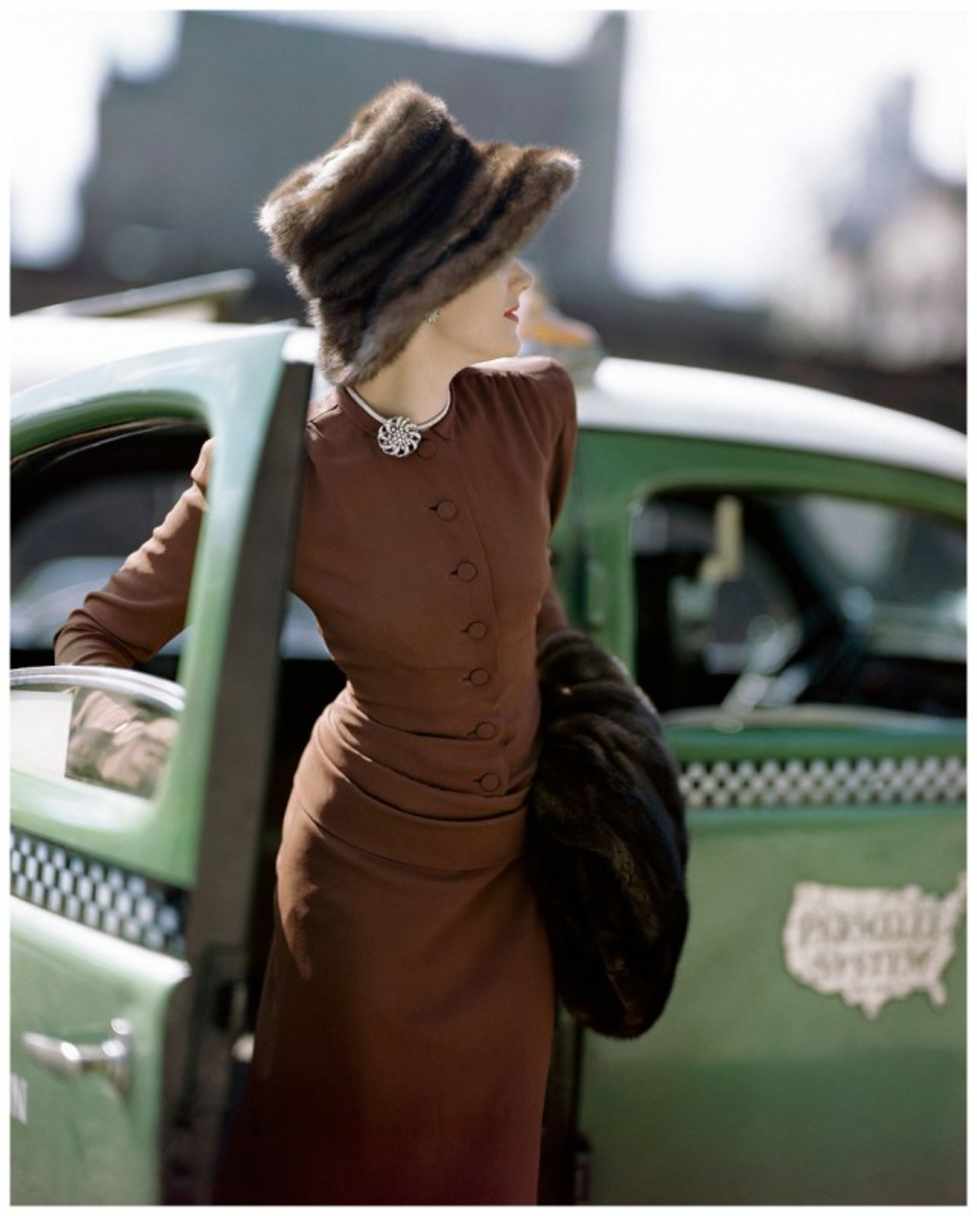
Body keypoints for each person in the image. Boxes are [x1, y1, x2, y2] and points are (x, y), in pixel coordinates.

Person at [52, 78, 581, 1203]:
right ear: (424, 278)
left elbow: (540, 626)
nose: (522, 280)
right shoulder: (286, 454)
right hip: (360, 892)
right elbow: (95, 634)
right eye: (498, 256)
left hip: (508, 890)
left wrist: (610, 769)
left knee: (489, 1168)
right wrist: (156, 768)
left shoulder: (536, 409)